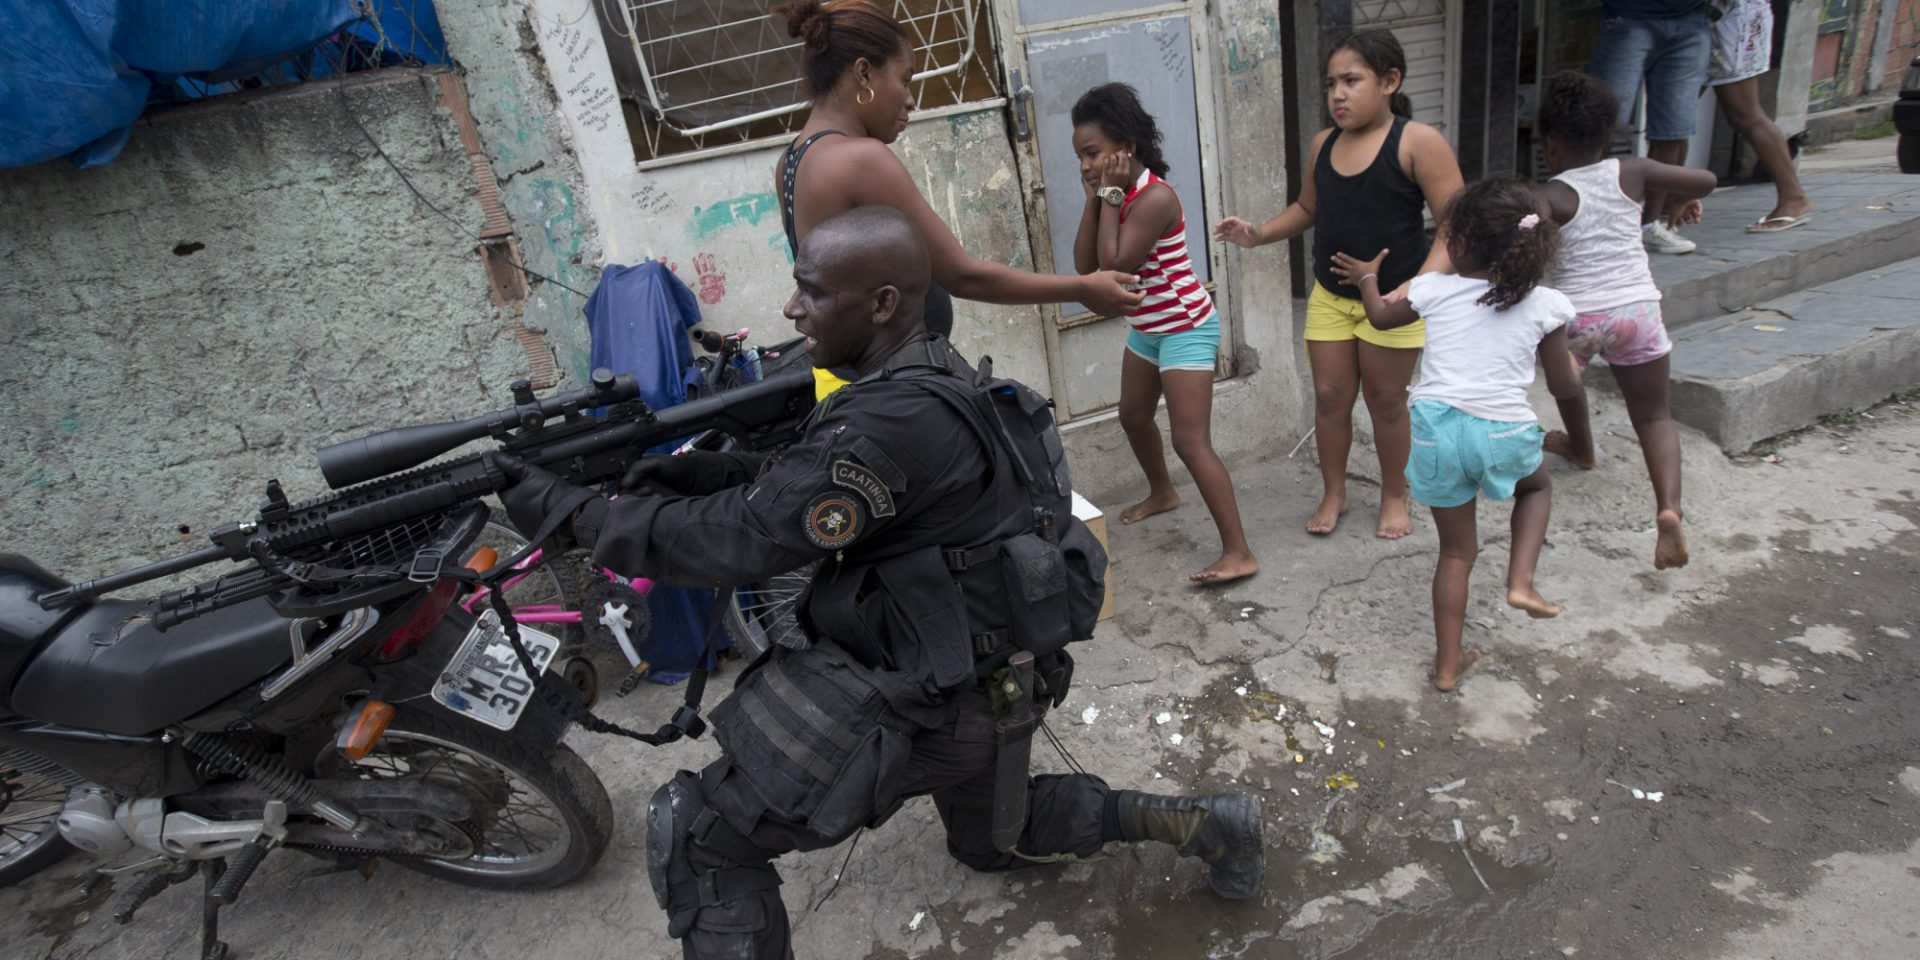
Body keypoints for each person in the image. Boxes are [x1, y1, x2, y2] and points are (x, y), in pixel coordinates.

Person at [494, 206, 1265, 960]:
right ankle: (1213, 823)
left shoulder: (884, 418)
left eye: (813, 291)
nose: (793, 308)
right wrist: (709, 471)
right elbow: (824, 490)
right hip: (1002, 680)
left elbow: (747, 537)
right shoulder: (931, 373)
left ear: (883, 302)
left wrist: (579, 517)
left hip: (937, 704)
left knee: (700, 836)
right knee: (997, 837)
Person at [772, 0, 1141, 347]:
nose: (910, 100)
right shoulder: (861, 160)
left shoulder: (790, 161)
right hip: (893, 391)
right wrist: (1081, 289)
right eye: (906, 80)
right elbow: (964, 275)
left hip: (851, 386)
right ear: (864, 74)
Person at [1215, 30, 1464, 540]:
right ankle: (1334, 491)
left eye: (1352, 81)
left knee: (1387, 400)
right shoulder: (1322, 144)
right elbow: (1309, 208)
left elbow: (1456, 227)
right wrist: (1258, 234)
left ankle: (1395, 494)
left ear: (1390, 81)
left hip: (1394, 302)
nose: (1338, 94)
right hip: (1331, 297)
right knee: (1329, 398)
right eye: (1331, 83)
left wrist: (1415, 288)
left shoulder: (1418, 142)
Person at [1340, 179, 1583, 692]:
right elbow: (1562, 384)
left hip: (1436, 431)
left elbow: (1381, 319)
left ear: (1460, 243)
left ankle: (1447, 666)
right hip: (1504, 430)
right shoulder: (1545, 305)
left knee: (1455, 553)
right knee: (1536, 488)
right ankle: (1521, 582)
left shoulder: (1432, 289)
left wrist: (1367, 279)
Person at [1068, 83, 1258, 585]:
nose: (1086, 165)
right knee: (1133, 417)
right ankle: (1163, 492)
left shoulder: (1153, 198)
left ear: (1126, 147)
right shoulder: (1116, 195)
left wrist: (1106, 197)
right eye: (1080, 157)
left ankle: (1239, 551)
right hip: (1150, 328)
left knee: (1191, 441)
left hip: (1187, 328)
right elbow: (1086, 267)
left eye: (1092, 153)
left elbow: (1115, 264)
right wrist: (1096, 199)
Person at [1532, 70, 1714, 570]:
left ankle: (1581, 447)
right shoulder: (1632, 171)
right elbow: (1707, 181)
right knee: (1654, 415)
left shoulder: (1554, 193)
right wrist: (1680, 199)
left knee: (1567, 385)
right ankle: (1669, 510)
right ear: (1607, 134)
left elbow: (1523, 227)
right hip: (1636, 310)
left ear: (1550, 142)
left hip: (1578, 318)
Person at [1583, 0, 1715, 255]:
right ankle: (1585, 221)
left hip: (1693, 18)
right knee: (1601, 121)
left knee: (1673, 129)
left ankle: (1649, 225)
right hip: (1631, 15)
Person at [1708, 0, 1813, 232]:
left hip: (1732, 16)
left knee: (1744, 113)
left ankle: (1793, 197)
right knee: (1675, 114)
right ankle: (1667, 202)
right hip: (1705, 16)